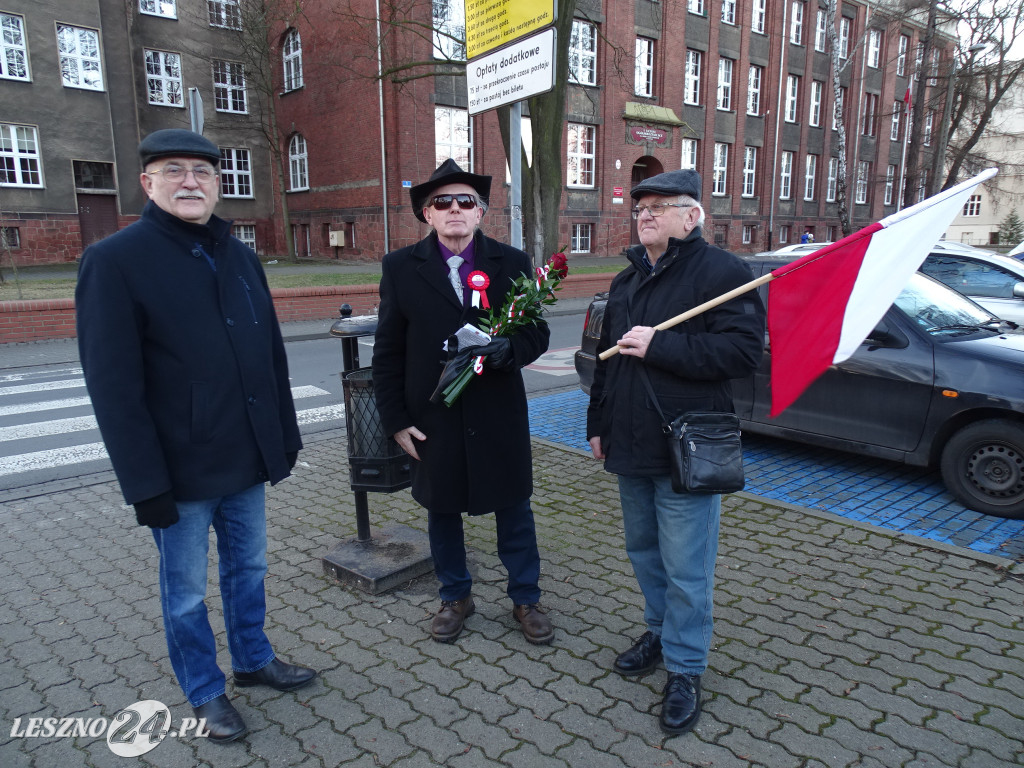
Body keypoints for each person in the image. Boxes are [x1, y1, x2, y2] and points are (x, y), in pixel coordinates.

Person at [76, 129, 315, 744]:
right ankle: (205, 691)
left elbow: (268, 356)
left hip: (244, 457)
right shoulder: (114, 260)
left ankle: (254, 660)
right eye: (173, 170)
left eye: (203, 172)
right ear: (147, 182)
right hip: (177, 471)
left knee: (250, 568)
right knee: (184, 591)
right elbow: (113, 387)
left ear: (218, 182)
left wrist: (282, 437)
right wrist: (143, 484)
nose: (190, 182)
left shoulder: (239, 255)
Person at [586, 169, 765, 735]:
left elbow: (740, 354)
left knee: (688, 568)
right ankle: (659, 633)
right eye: (640, 207)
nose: (645, 215)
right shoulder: (625, 281)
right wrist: (597, 422)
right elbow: (606, 362)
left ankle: (685, 668)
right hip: (629, 442)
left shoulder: (723, 273)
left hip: (688, 446)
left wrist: (662, 344)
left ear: (692, 217)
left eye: (659, 207)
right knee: (644, 553)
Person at [372, 159, 554, 645]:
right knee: (441, 509)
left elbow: (537, 331)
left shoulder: (512, 263)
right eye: (442, 202)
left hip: (498, 414)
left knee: (514, 509)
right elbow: (387, 352)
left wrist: (509, 350)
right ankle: (455, 595)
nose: (455, 209)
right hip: (435, 416)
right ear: (426, 214)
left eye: (465, 201)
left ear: (481, 212)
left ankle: (526, 597)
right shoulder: (399, 268)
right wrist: (395, 422)